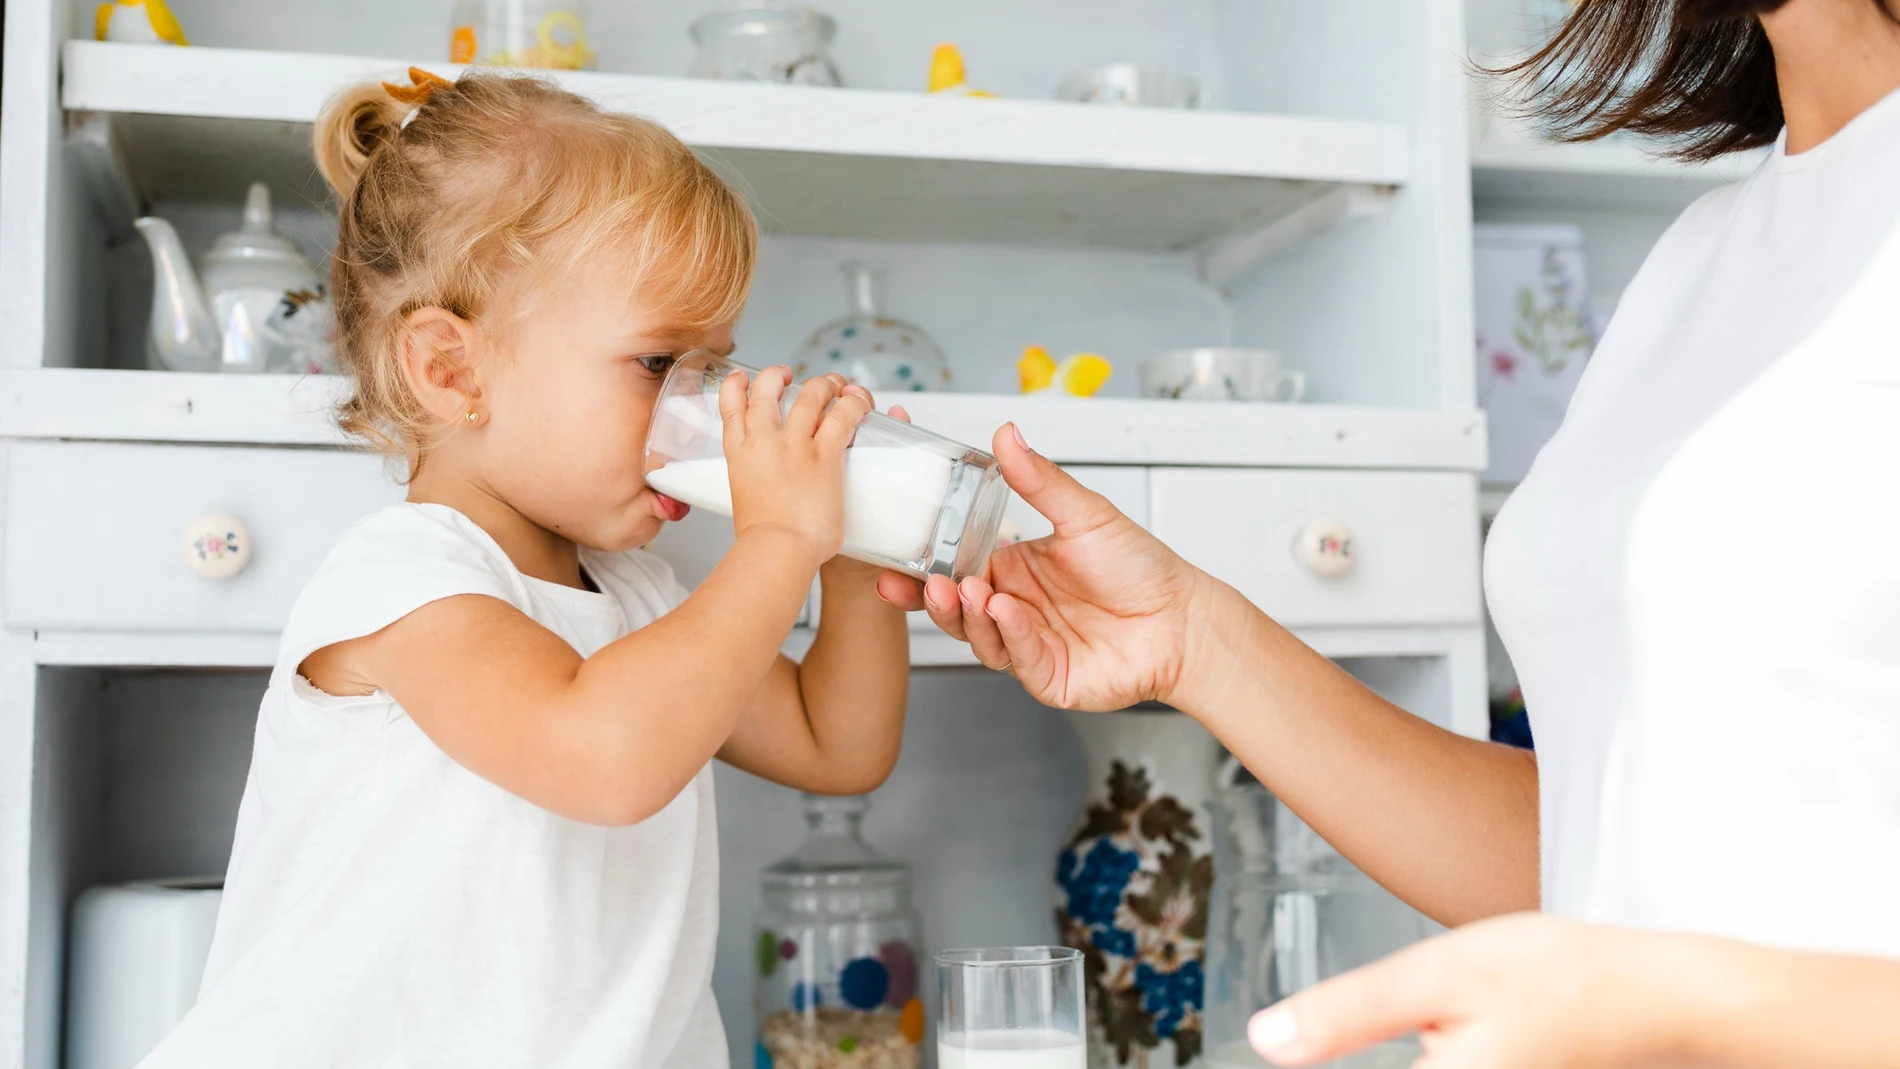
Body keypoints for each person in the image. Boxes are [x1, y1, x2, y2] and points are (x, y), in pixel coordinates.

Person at [882, 0, 1900, 1064]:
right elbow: (1595, 849)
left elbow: (1646, 965)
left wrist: (1670, 1004)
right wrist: (1195, 639)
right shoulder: (1703, 256)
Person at [140, 70, 912, 1068]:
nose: (704, 406)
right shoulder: (401, 582)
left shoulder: (639, 601)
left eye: (713, 364)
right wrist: (777, 543)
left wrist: (852, 554)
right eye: (656, 364)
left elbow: (831, 745)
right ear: (453, 371)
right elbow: (602, 756)